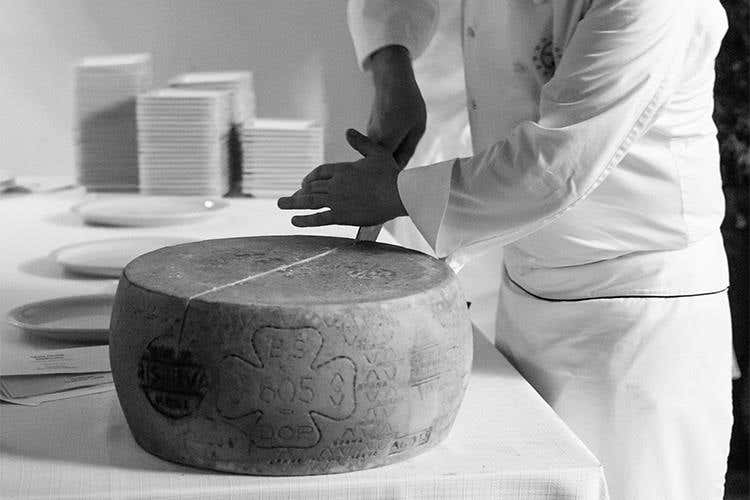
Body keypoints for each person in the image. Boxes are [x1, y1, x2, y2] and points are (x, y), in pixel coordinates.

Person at [278, 0, 734, 498]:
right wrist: (393, 67)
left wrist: (395, 193)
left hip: (636, 315)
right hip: (527, 288)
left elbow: (556, 165)